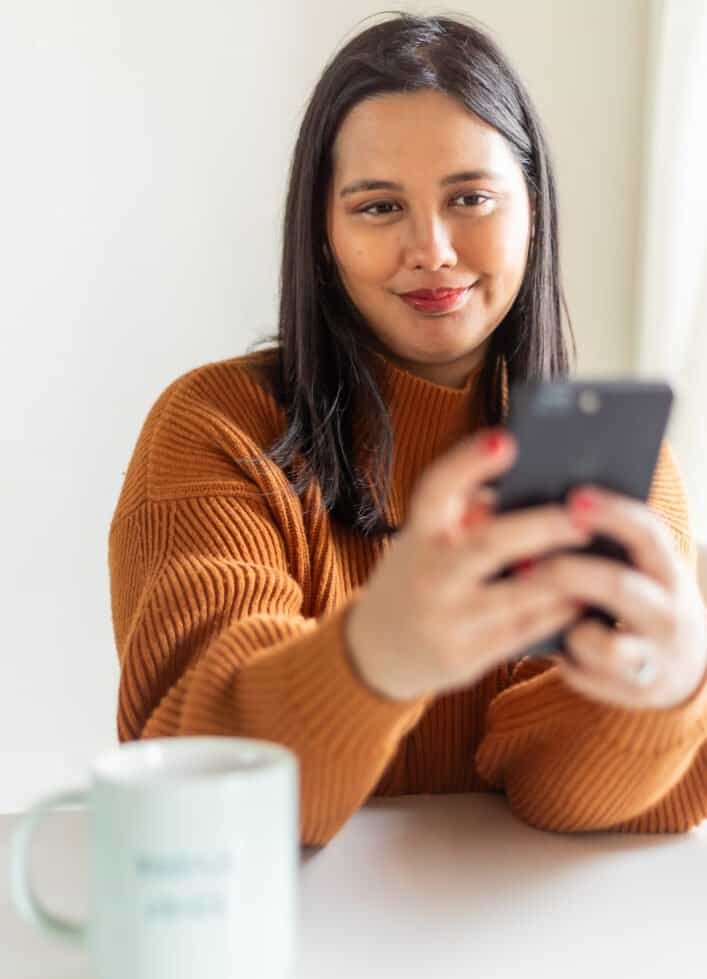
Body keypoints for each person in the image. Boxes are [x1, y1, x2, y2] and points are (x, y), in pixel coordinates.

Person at [108, 14, 707, 846]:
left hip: (522, 956)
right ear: (323, 234)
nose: (429, 250)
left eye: (470, 198)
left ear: (531, 212)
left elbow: (567, 795)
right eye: (378, 206)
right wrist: (378, 653)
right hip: (276, 956)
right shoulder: (216, 429)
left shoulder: (621, 466)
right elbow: (193, 774)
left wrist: (665, 689)